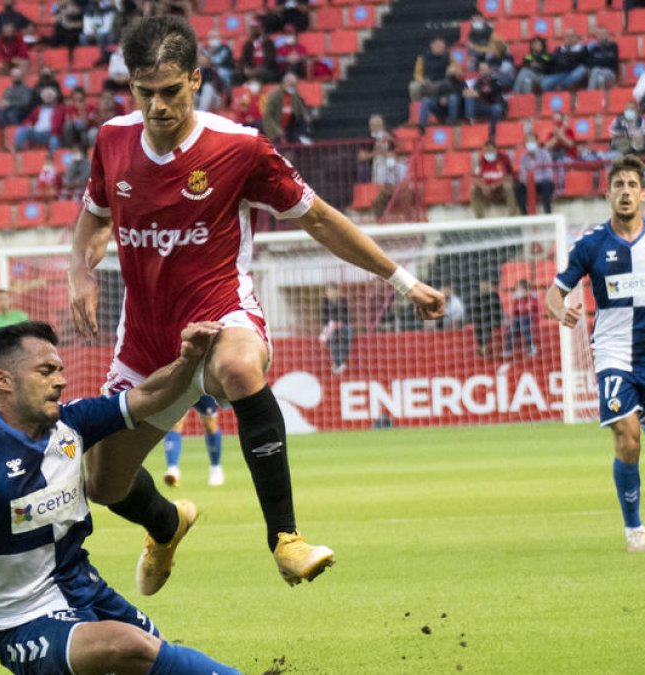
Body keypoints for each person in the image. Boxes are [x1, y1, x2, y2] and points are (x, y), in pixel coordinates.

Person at [69, 16, 446, 592]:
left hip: (222, 315)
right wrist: (80, 272)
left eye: (171, 91)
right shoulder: (112, 141)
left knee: (240, 367)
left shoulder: (239, 148)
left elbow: (318, 217)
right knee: (103, 483)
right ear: (131, 89)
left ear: (195, 80)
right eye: (146, 93)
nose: (159, 106)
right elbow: (94, 216)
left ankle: (286, 540)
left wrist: (402, 281)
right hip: (146, 341)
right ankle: (167, 524)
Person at [0, 321, 241, 674]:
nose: (60, 381)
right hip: (21, 621)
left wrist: (188, 360)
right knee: (130, 646)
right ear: (3, 380)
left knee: (152, 652)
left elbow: (148, 395)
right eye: (45, 371)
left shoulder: (72, 422)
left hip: (83, 587)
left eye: (59, 370)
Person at [546, 155, 645, 553]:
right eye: (618, 186)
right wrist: (564, 312)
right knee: (627, 440)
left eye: (632, 185)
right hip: (613, 354)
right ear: (608, 194)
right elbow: (554, 294)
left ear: (643, 193)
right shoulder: (591, 244)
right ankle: (635, 532)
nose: (625, 192)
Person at [162, 395, 224, 487]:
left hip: (202, 387)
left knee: (210, 425)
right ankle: (172, 469)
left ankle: (215, 468)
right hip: (181, 386)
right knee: (175, 422)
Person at [262, 72, 310, 145]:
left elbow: (300, 105)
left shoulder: (294, 94)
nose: (293, 87)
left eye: (294, 85)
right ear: (284, 83)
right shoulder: (275, 96)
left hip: (289, 127)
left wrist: (305, 115)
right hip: (275, 128)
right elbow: (268, 117)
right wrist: (277, 130)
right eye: (291, 85)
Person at [470, 142, 515, 218]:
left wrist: (495, 185)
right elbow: (475, 178)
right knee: (474, 189)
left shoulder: (504, 159)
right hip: (486, 191)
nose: (488, 153)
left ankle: (512, 216)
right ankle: (479, 218)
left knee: (508, 187)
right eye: (486, 151)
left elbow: (509, 177)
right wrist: (483, 186)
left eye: (491, 151)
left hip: (500, 190)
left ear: (496, 150)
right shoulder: (481, 161)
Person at [514, 137, 556, 215]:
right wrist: (528, 182)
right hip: (529, 183)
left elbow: (548, 173)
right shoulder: (524, 158)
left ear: (537, 142)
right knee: (518, 187)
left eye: (532, 141)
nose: (530, 144)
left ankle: (548, 212)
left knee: (547, 184)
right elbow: (522, 175)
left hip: (542, 182)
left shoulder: (545, 154)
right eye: (528, 142)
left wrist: (534, 180)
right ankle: (524, 213)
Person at [409, 36, 452, 104]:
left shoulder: (450, 57)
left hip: (443, 84)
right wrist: (422, 82)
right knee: (414, 86)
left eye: (442, 46)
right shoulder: (423, 57)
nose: (440, 47)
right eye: (438, 45)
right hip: (428, 83)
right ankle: (417, 106)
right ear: (432, 45)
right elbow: (417, 74)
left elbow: (456, 71)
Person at [320, 284, 351, 374]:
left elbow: (346, 316)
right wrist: (332, 324)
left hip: (343, 325)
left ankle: (339, 363)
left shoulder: (343, 301)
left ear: (337, 291)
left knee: (346, 337)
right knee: (331, 338)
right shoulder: (325, 303)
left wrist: (339, 323)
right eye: (328, 291)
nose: (329, 293)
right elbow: (324, 318)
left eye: (331, 291)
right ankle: (338, 363)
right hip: (330, 327)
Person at [503, 279, 538, 358]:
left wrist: (526, 296)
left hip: (529, 317)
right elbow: (514, 311)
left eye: (520, 289)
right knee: (512, 329)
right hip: (518, 318)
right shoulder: (516, 298)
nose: (518, 291)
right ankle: (508, 350)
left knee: (524, 326)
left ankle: (532, 348)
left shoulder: (533, 295)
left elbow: (532, 308)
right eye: (517, 289)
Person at [471, 278, 502, 358]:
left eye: (484, 283)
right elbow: (476, 310)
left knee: (486, 326)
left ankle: (484, 348)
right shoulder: (478, 296)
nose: (482, 286)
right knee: (478, 327)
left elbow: (497, 310)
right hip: (482, 320)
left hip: (493, 320)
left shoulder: (494, 295)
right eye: (481, 284)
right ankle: (482, 347)